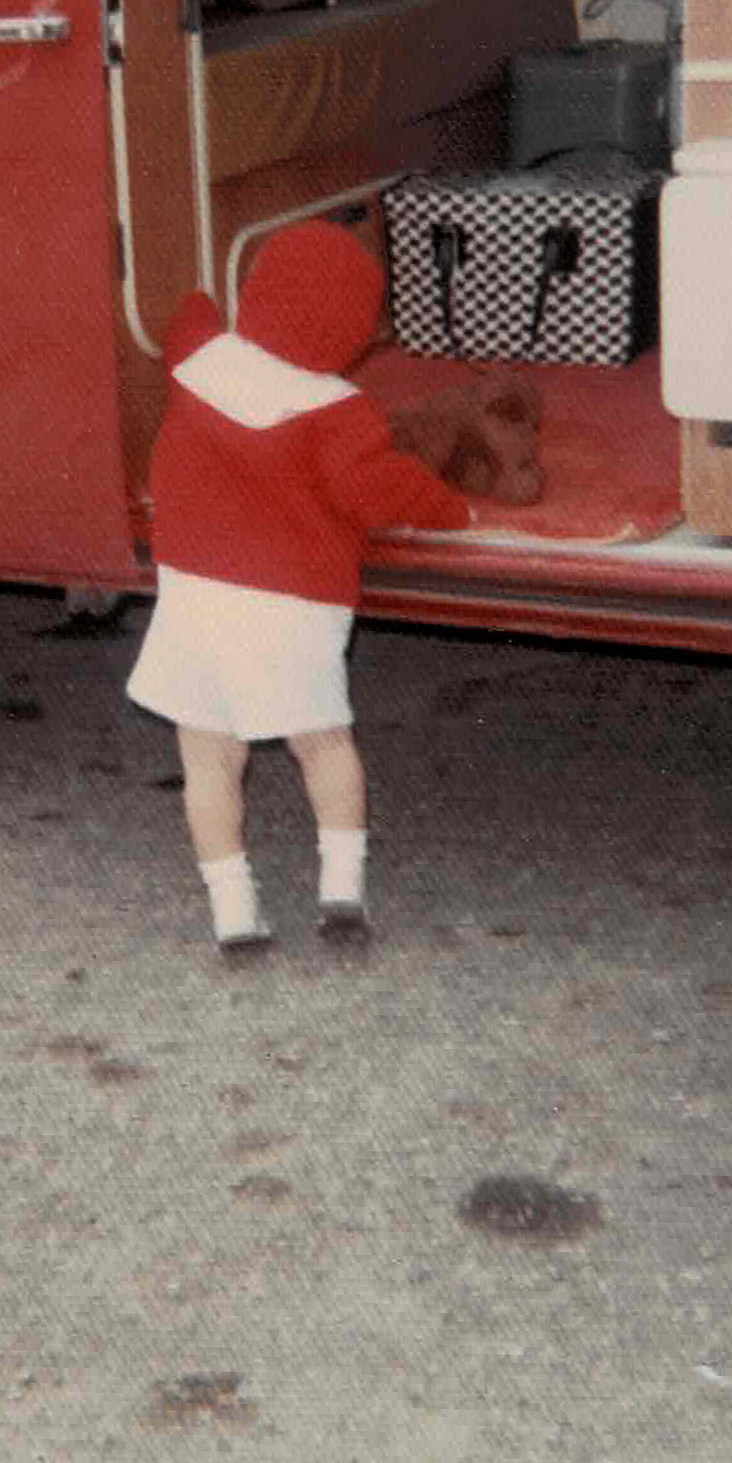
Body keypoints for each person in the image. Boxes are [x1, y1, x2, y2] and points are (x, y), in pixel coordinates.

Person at [126, 220, 473, 951]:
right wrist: (451, 507)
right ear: (353, 332)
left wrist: (201, 301)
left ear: (256, 294)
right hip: (291, 606)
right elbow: (376, 491)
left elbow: (185, 312)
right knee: (323, 743)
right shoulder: (336, 410)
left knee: (208, 758)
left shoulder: (200, 362)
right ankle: (342, 887)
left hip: (197, 596)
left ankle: (233, 907)